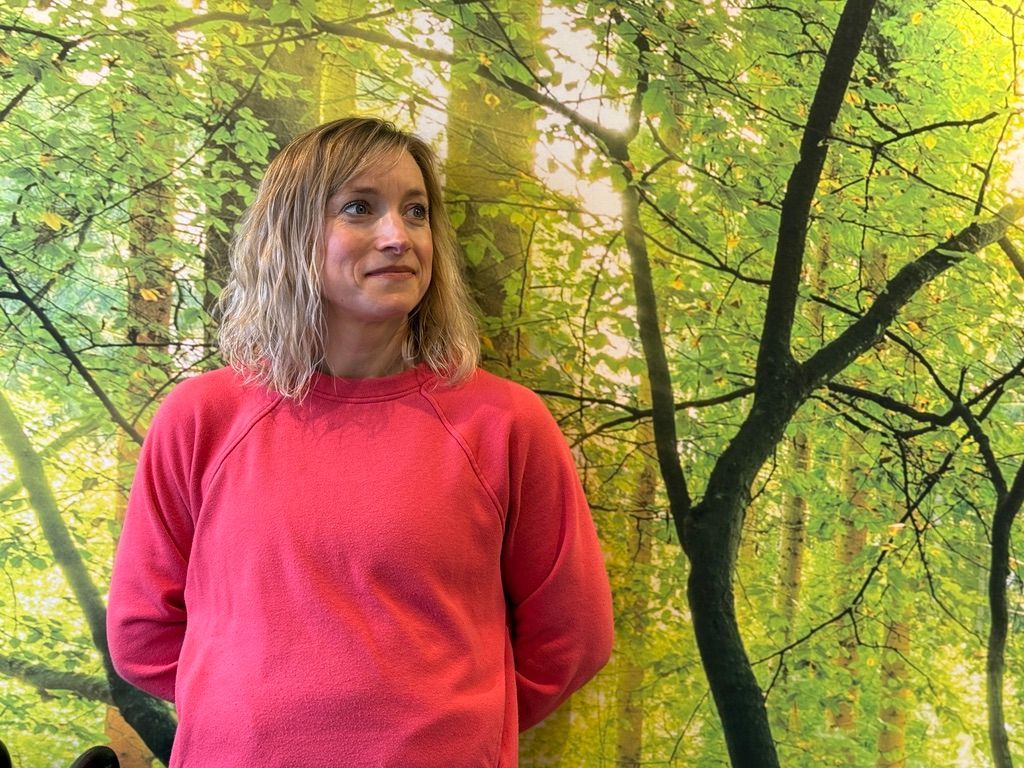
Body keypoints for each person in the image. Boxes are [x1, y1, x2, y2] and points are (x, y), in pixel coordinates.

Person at [107, 117, 614, 767]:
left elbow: (574, 636)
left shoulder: (505, 424)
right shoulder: (203, 417)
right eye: (359, 208)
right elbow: (141, 632)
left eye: (417, 211)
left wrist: (457, 727)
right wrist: (245, 713)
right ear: (290, 235)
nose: (398, 236)